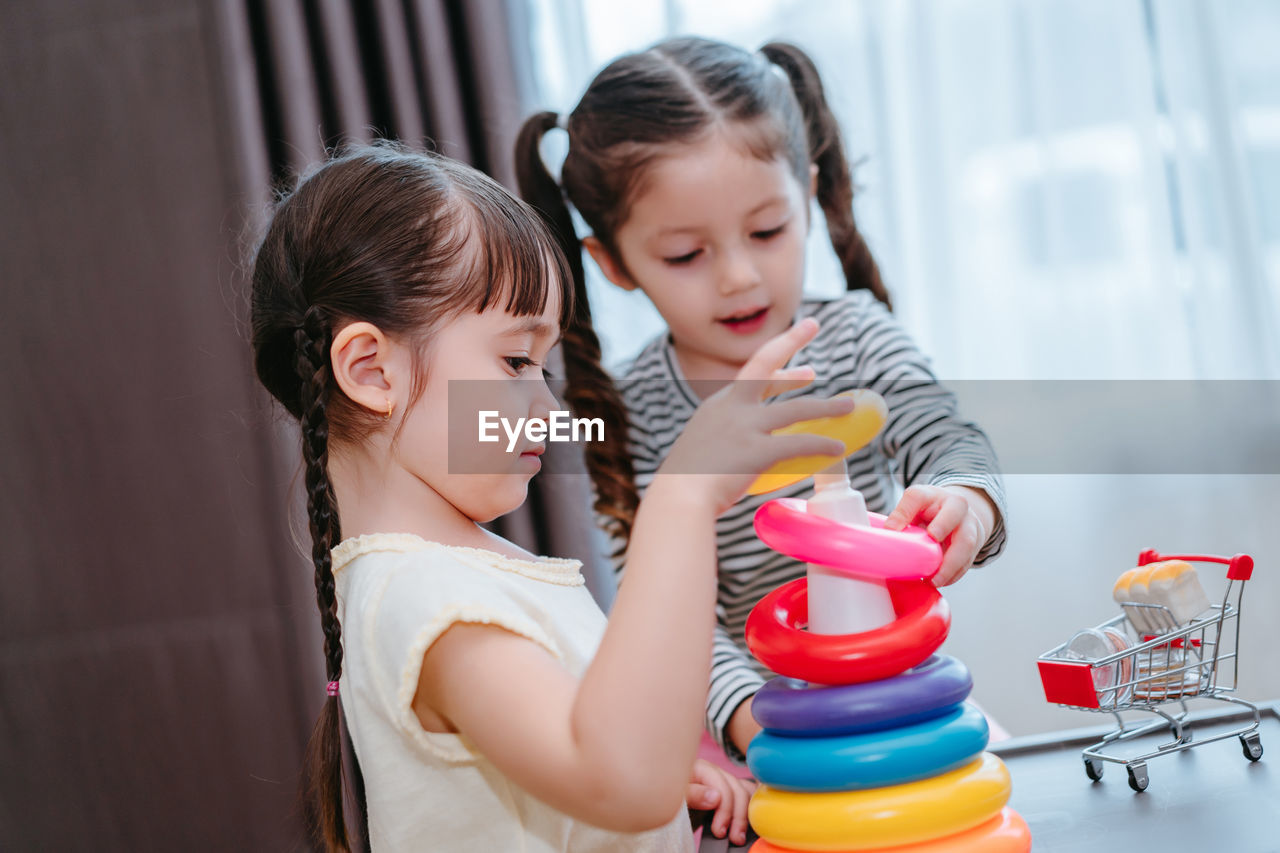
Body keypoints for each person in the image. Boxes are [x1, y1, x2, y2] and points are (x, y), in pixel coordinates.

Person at [249, 143, 855, 851]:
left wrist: (665, 784)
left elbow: (597, 762)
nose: (548, 407)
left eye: (544, 365)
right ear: (370, 369)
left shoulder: (452, 577)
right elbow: (619, 778)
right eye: (514, 360)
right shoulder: (427, 601)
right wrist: (679, 503)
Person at [515, 36, 1009, 763]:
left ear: (806, 198)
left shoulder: (856, 340)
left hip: (894, 700)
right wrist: (752, 722)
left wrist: (967, 498)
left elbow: (949, 438)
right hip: (751, 733)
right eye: (687, 255)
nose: (739, 277)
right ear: (614, 262)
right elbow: (669, 603)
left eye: (768, 230)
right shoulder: (633, 405)